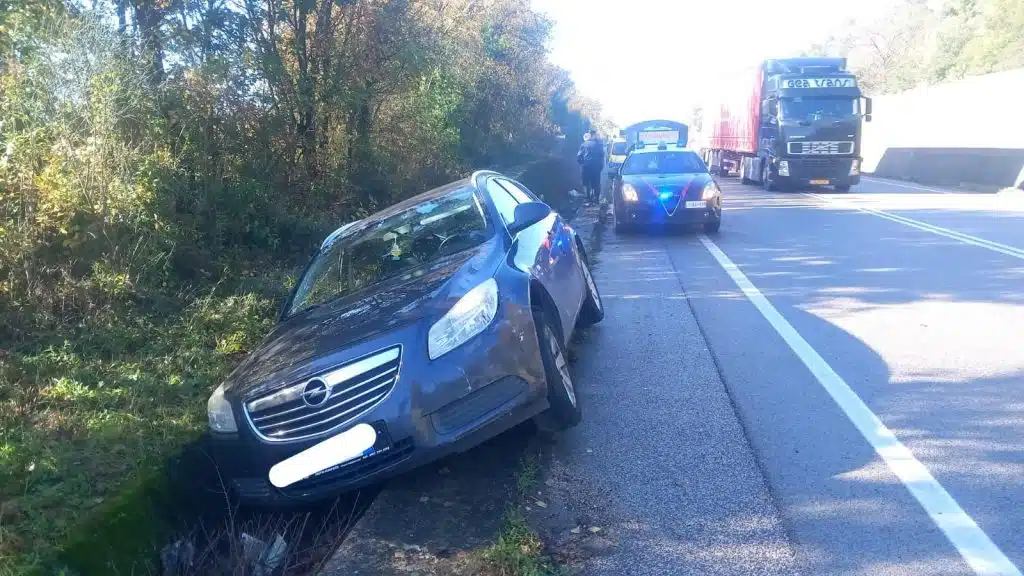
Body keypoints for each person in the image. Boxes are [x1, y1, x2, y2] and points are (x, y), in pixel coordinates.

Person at [577, 131, 604, 204]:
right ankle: (596, 198)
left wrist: (581, 164)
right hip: (596, 167)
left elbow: (579, 156)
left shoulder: (583, 145)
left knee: (586, 183)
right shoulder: (599, 145)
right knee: (596, 183)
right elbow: (602, 156)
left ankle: (587, 198)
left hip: (586, 166)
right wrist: (600, 166)